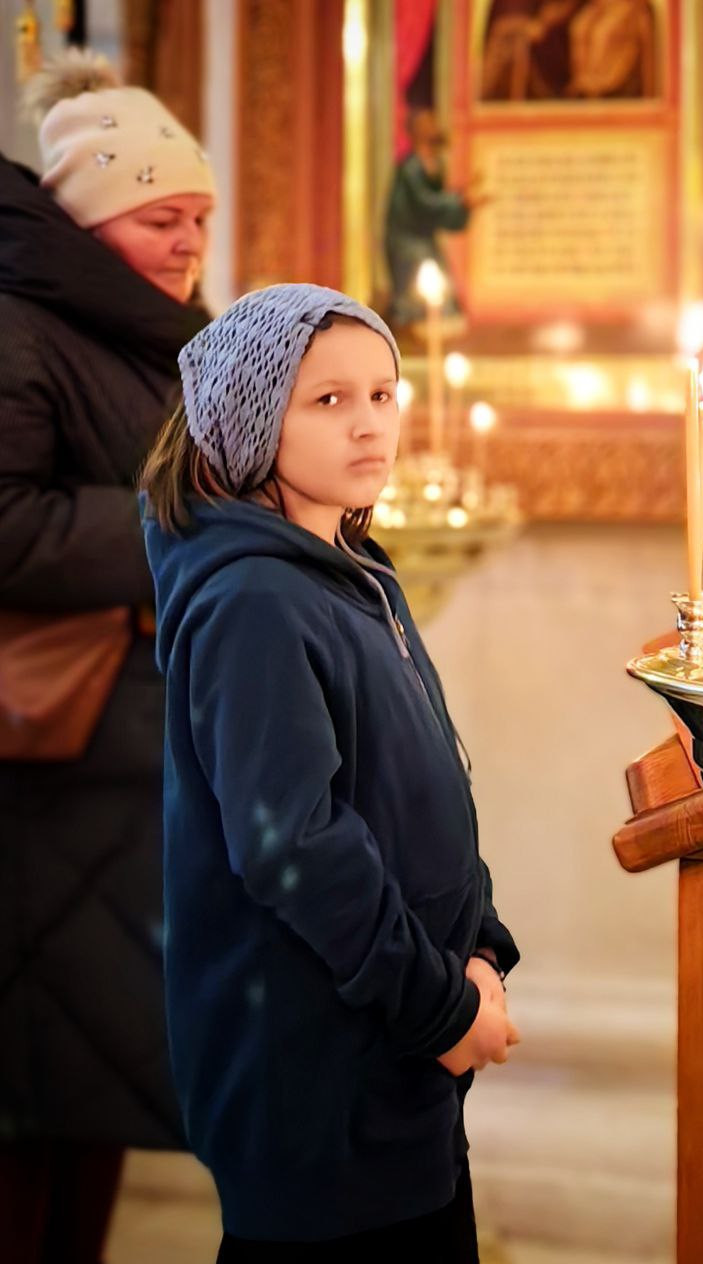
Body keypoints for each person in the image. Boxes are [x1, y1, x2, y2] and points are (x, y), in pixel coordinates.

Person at [139, 283, 521, 1260]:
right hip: (317, 1079)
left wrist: (480, 948)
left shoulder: (352, 568)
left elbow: (424, 791)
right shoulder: (255, 602)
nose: (370, 424)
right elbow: (296, 849)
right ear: (249, 420)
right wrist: (443, 1007)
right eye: (328, 400)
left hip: (396, 1052)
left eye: (383, 394)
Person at [0, 49, 215, 1262]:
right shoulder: (22, 329)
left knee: (96, 1080)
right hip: (46, 763)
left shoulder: (145, 334)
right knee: (37, 1094)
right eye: (159, 217)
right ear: (85, 219)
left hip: (121, 757)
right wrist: (188, 518)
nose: (188, 243)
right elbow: (7, 525)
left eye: (198, 217)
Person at [384, 108, 485, 328]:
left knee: (441, 288)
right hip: (407, 241)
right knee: (416, 287)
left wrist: (461, 200)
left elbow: (438, 202)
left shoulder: (435, 164)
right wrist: (459, 201)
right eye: (424, 125)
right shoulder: (410, 168)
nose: (430, 129)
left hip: (425, 239)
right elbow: (424, 202)